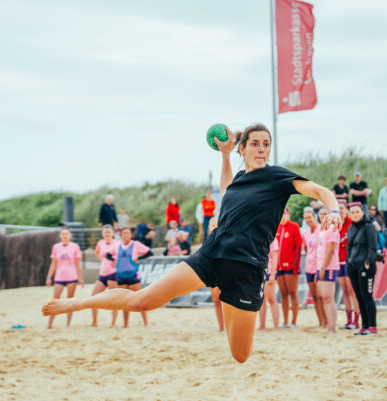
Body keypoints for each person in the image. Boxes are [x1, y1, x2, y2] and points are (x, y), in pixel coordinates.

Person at [42, 123, 342, 363]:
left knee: (240, 355)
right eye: (254, 143)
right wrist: (224, 156)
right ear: (243, 148)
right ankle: (78, 303)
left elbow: (319, 190)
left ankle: (226, 297)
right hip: (212, 254)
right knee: (142, 300)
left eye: (266, 144)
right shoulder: (238, 178)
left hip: (249, 268)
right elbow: (227, 190)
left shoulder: (277, 178)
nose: (261, 149)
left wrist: (332, 209)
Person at [345, 202, 377, 335]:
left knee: (367, 296)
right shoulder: (351, 228)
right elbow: (349, 247)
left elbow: (372, 247)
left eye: (357, 211)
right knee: (359, 297)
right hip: (353, 266)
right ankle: (364, 326)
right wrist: (348, 262)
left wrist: (367, 263)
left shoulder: (369, 227)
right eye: (352, 212)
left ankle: (372, 326)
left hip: (365, 266)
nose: (355, 214)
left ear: (362, 212)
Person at [109, 227, 151, 327]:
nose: (126, 235)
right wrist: (113, 260)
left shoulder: (135, 244)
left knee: (140, 300)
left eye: (128, 233)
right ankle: (125, 324)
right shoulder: (117, 245)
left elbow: (149, 252)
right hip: (120, 275)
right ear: (121, 235)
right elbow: (107, 255)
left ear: (131, 235)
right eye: (124, 233)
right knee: (124, 302)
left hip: (133, 275)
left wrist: (138, 258)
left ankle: (145, 322)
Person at [45, 227, 84, 329]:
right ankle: (49, 324)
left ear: (70, 235)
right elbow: (53, 264)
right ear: (60, 235)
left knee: (69, 302)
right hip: (59, 277)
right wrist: (49, 277)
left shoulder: (75, 247)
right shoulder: (56, 247)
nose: (65, 235)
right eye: (63, 234)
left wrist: (80, 278)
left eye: (67, 234)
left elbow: (78, 264)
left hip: (72, 277)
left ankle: (68, 324)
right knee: (54, 301)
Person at [275, 207, 303, 328]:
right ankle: (285, 321)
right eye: (280, 215)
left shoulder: (294, 226)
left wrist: (296, 266)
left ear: (288, 215)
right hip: (279, 267)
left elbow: (298, 247)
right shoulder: (276, 228)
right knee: (283, 294)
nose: (282, 217)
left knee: (293, 293)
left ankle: (294, 322)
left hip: (291, 266)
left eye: (284, 214)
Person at [316, 210, 342, 333]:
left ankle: (332, 327)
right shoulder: (321, 230)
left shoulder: (332, 229)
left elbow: (331, 250)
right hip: (320, 265)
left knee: (328, 298)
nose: (322, 216)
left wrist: (323, 267)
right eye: (320, 214)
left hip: (329, 267)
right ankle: (329, 326)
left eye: (325, 213)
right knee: (324, 298)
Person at [336, 201, 360, 330]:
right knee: (345, 292)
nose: (340, 211)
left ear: (346, 210)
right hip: (339, 261)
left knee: (352, 291)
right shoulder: (335, 224)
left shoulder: (351, 223)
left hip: (350, 261)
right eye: (338, 208)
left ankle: (356, 321)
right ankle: (348, 320)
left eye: (342, 209)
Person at [91, 225, 119, 327]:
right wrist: (102, 260)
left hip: (113, 273)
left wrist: (116, 261)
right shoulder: (101, 243)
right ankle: (94, 322)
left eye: (109, 232)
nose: (107, 234)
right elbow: (97, 251)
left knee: (113, 299)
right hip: (102, 274)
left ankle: (113, 322)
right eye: (105, 232)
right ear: (103, 233)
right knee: (93, 297)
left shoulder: (117, 243)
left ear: (113, 233)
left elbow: (122, 256)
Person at [302, 208, 326, 328]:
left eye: (309, 217)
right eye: (305, 218)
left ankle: (326, 321)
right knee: (315, 297)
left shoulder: (321, 229)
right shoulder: (305, 233)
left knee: (322, 296)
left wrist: (321, 267)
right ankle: (320, 321)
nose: (307, 220)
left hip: (319, 266)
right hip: (309, 267)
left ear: (314, 217)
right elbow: (307, 249)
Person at [206, 218, 224, 332]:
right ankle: (221, 327)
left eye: (216, 224)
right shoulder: (207, 240)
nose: (214, 225)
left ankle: (226, 326)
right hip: (211, 272)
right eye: (212, 224)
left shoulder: (224, 238)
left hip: (223, 272)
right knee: (216, 301)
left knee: (224, 301)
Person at [258, 233, 280, 330]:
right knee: (261, 301)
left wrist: (273, 274)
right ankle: (262, 325)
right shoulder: (257, 236)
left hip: (268, 271)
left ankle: (276, 326)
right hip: (258, 273)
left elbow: (275, 257)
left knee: (272, 299)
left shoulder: (272, 238)